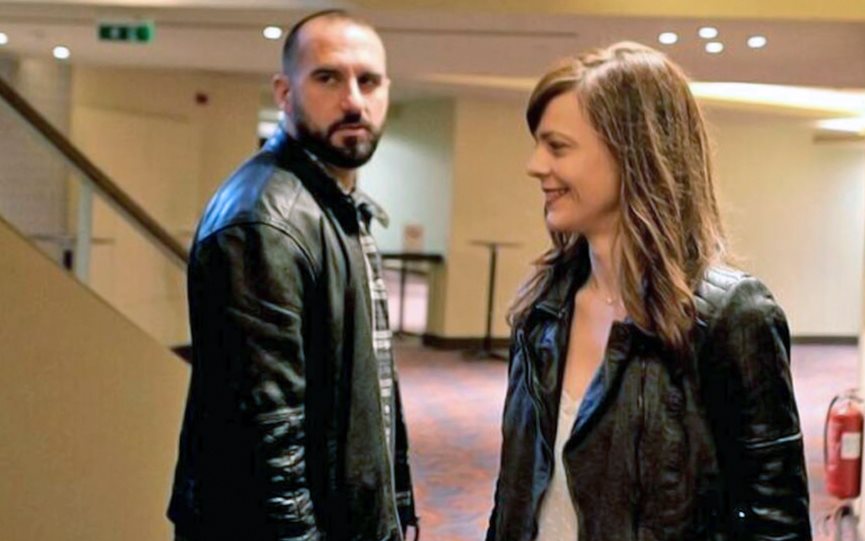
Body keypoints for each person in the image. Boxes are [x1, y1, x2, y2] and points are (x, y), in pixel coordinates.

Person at [486, 42, 811, 541]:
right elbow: (514, 494)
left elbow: (777, 522)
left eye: (558, 147)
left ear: (632, 153)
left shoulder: (730, 317)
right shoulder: (543, 308)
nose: (535, 165)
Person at [167, 10, 417, 541]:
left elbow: (370, 395)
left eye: (368, 81)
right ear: (284, 92)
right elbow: (268, 443)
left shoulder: (334, 203)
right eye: (328, 78)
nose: (354, 101)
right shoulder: (264, 221)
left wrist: (396, 508)